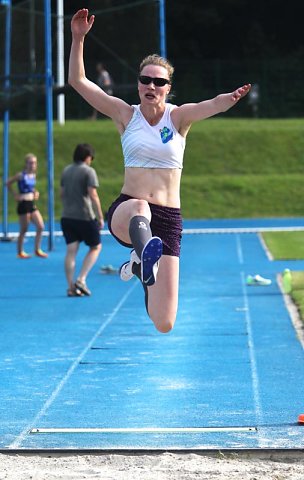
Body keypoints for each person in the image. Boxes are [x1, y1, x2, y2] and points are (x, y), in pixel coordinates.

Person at [69, 8, 251, 331]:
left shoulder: (178, 118)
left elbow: (212, 104)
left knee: (164, 321)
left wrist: (231, 98)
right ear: (138, 84)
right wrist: (78, 38)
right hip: (129, 211)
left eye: (158, 81)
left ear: (168, 87)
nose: (150, 85)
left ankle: (142, 266)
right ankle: (142, 253)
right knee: (141, 207)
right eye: (145, 80)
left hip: (167, 220)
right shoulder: (126, 115)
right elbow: (78, 82)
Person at [60, 143, 104, 297]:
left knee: (71, 250)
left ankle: (70, 286)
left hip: (67, 216)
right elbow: (93, 194)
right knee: (96, 246)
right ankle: (81, 278)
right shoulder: (88, 171)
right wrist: (100, 215)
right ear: (87, 157)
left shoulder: (66, 170)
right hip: (84, 216)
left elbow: (62, 193)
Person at [6, 153, 48, 259]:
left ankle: (37, 249)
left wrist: (35, 192)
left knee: (40, 226)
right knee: (24, 229)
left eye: (34, 163)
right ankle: (20, 252)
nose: (32, 165)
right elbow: (8, 183)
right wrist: (15, 194)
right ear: (26, 164)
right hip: (23, 204)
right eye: (30, 163)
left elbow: (30, 188)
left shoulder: (33, 175)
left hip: (31, 203)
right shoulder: (21, 175)